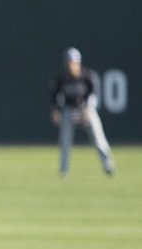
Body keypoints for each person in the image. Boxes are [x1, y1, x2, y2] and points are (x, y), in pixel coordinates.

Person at [49, 47, 116, 177]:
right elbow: (54, 96)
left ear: (78, 62)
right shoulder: (62, 78)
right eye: (68, 62)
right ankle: (64, 170)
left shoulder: (87, 76)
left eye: (73, 62)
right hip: (69, 110)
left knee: (99, 140)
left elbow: (93, 94)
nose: (71, 65)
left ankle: (108, 166)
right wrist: (55, 110)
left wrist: (88, 108)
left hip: (86, 109)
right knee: (65, 141)